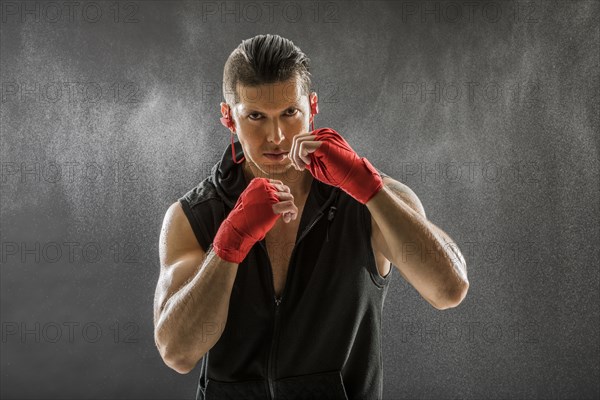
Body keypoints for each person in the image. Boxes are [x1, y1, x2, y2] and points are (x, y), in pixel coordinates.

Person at [153, 34, 469, 400]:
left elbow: (449, 289)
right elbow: (177, 353)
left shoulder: (370, 202)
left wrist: (369, 189)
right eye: (256, 116)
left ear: (312, 106)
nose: (277, 136)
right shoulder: (193, 215)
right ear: (228, 117)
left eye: (290, 113)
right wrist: (230, 241)